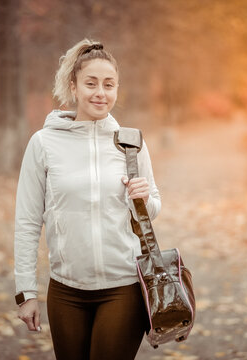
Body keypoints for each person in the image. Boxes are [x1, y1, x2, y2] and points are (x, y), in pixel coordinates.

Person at [13, 39, 161, 360]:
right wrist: (26, 292)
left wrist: (144, 197)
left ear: (117, 89)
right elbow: (26, 222)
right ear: (73, 86)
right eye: (91, 83)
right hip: (66, 291)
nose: (100, 93)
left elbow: (152, 210)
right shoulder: (44, 143)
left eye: (109, 85)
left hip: (123, 287)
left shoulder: (131, 143)